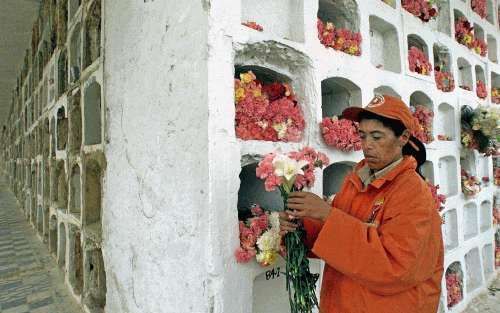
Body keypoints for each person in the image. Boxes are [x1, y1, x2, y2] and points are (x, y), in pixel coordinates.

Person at [280, 94, 444, 313]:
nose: (367, 146)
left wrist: (328, 215)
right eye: (363, 135)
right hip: (344, 302)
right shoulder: (357, 178)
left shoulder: (412, 191)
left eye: (377, 137)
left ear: (403, 137)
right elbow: (339, 235)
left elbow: (395, 266)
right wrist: (301, 227)